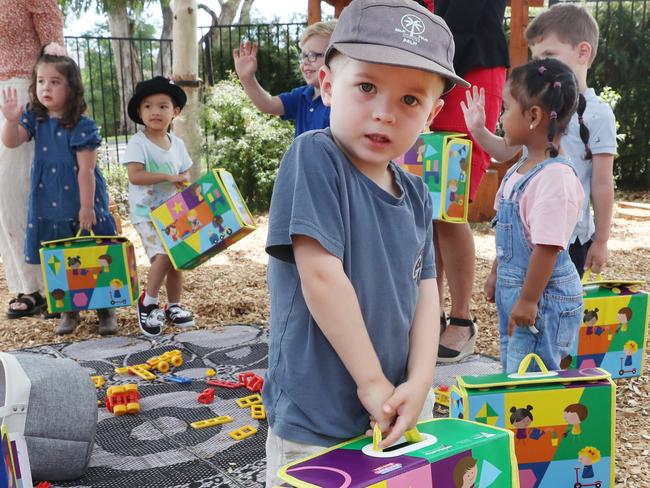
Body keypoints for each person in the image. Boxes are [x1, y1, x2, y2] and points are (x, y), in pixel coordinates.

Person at [263, 1, 469, 484]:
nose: (385, 113)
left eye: (410, 100)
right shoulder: (315, 157)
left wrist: (419, 383)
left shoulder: (417, 193)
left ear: (433, 113)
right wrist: (371, 381)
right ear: (328, 86)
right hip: (315, 420)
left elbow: (425, 292)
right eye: (368, 86)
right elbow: (320, 276)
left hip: (387, 411)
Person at [461, 57, 585, 373]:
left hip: (544, 302)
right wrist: (495, 274)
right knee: (516, 369)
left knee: (537, 377)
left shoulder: (554, 178)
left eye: (505, 108)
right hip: (521, 294)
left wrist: (529, 300)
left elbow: (547, 247)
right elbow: (510, 234)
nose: (501, 117)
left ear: (533, 116)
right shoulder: (522, 167)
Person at [414, 0, 510, 363]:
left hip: (469, 73)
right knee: (428, 210)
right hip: (432, 77)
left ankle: (461, 320)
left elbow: (459, 21)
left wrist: (424, 79)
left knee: (449, 210)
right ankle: (431, 313)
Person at [0, 46, 118, 335]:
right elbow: (12, 142)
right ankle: (69, 310)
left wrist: (87, 208)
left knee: (94, 252)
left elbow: (87, 171)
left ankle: (105, 311)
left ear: (72, 87)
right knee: (63, 257)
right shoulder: (35, 119)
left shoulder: (81, 125)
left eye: (54, 82)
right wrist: (11, 120)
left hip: (81, 200)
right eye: (41, 81)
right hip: (49, 202)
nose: (46, 88)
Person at [525, 4, 616, 278]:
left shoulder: (598, 114)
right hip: (528, 230)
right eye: (536, 58)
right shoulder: (535, 108)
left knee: (559, 312)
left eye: (549, 55)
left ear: (583, 52)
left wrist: (600, 241)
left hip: (569, 238)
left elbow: (601, 184)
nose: (540, 66)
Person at [0, 0, 64, 319]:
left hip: (25, 91)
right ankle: (28, 286)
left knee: (23, 189)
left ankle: (56, 285)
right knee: (4, 198)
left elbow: (54, 48)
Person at [123, 76, 195, 337]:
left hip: (173, 214)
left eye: (163, 106)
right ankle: (148, 302)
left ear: (175, 112)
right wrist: (167, 177)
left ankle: (173, 306)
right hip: (146, 214)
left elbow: (185, 173)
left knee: (177, 260)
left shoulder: (177, 144)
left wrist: (185, 183)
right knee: (163, 256)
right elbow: (135, 176)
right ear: (140, 113)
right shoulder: (138, 143)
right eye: (148, 106)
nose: (155, 112)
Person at [233, 21, 335, 137]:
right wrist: (247, 78)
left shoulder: (340, 99)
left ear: (335, 57)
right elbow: (268, 104)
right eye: (303, 56)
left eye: (312, 55)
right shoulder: (302, 96)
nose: (305, 62)